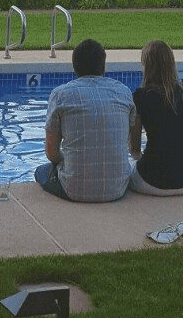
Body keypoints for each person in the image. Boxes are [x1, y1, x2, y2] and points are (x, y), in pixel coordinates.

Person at [35, 38, 135, 202]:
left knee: (41, 171)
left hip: (74, 189)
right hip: (118, 187)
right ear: (103, 65)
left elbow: (51, 153)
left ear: (75, 66)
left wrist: (66, 162)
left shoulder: (61, 95)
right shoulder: (123, 92)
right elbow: (127, 142)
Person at [129, 40, 183, 196]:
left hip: (153, 182)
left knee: (128, 166)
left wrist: (142, 160)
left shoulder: (140, 97)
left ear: (146, 65)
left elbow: (134, 150)